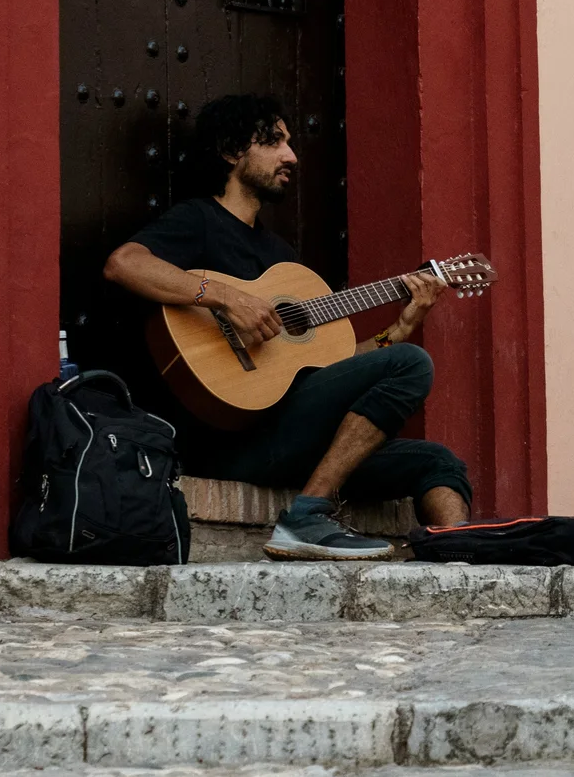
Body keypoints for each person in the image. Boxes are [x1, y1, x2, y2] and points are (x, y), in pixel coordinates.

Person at [102, 93, 473, 560]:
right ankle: (307, 517)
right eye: (274, 142)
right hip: (225, 439)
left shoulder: (282, 259)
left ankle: (464, 557)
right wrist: (225, 296)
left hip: (286, 440)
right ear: (232, 151)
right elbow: (124, 264)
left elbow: (327, 366)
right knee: (414, 364)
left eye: (290, 143)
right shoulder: (197, 220)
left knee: (438, 461)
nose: (291, 156)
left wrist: (398, 329)